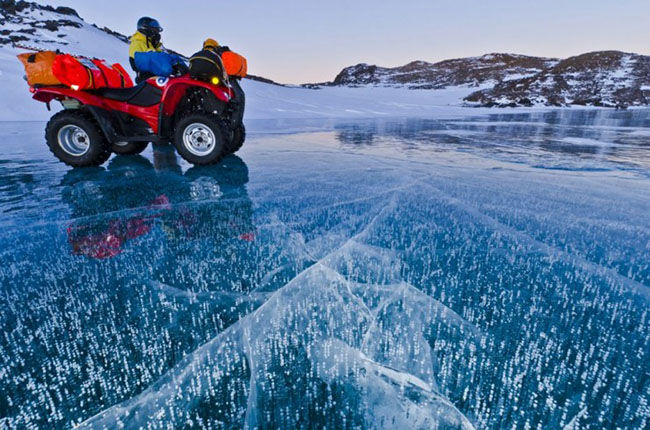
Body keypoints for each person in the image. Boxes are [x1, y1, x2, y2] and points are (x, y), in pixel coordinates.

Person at [129, 17, 186, 83]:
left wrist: (175, 64)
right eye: (154, 30)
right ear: (146, 29)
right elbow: (138, 60)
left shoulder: (153, 45)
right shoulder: (137, 43)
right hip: (147, 80)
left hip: (157, 78)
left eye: (157, 31)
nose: (157, 33)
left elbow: (163, 58)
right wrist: (168, 67)